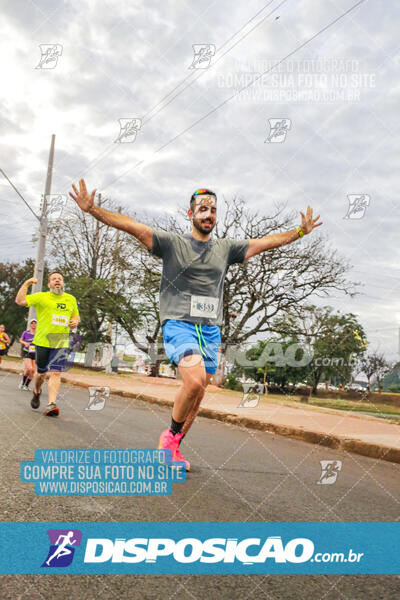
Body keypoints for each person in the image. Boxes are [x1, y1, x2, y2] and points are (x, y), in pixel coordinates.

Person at [69, 179, 322, 470]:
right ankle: (169, 438)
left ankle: (174, 447)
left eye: (213, 210)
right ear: (191, 214)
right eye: (202, 209)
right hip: (178, 323)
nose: (208, 214)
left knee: (200, 389)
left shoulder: (227, 249)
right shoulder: (172, 243)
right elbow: (133, 226)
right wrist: (93, 211)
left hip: (210, 329)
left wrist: (300, 231)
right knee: (194, 379)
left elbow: (266, 242)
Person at [15, 272, 80, 416]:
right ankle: (37, 391)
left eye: (60, 279)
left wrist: (76, 321)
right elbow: (20, 301)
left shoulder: (70, 299)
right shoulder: (41, 297)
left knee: (56, 372)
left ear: (62, 283)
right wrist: (26, 284)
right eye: (54, 279)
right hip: (42, 341)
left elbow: (75, 315)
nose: (57, 281)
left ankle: (51, 404)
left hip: (61, 341)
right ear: (49, 284)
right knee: (41, 373)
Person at [19, 319, 37, 390]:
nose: (33, 325)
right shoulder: (26, 332)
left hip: (35, 353)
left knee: (33, 370)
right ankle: (22, 383)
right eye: (32, 323)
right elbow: (20, 340)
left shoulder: (38, 333)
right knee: (29, 368)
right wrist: (25, 343)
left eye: (35, 323)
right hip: (27, 352)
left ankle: (26, 385)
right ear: (30, 325)